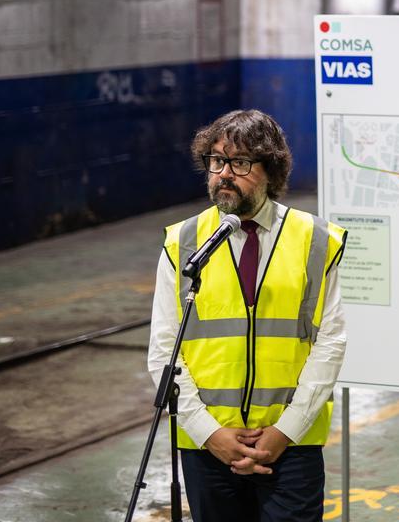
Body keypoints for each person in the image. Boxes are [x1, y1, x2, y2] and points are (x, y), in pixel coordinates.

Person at [148, 109, 347, 522]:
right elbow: (164, 351)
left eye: (239, 163)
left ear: (270, 171)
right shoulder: (183, 242)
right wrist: (209, 434)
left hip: (290, 445)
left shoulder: (316, 240)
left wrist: (285, 431)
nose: (223, 174)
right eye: (216, 161)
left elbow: (330, 343)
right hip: (208, 446)